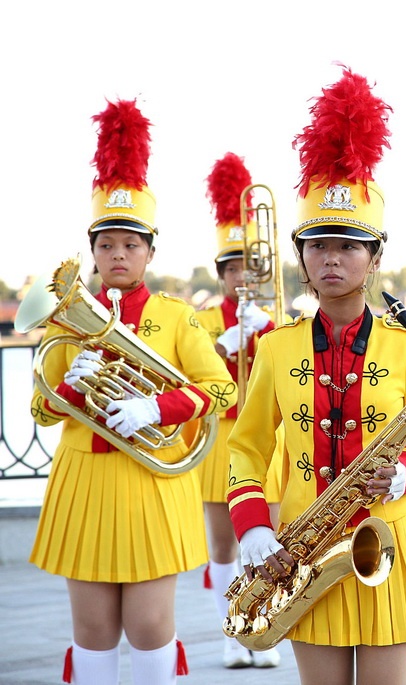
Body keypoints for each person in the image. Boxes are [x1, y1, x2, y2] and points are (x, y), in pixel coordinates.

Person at [226, 68, 406, 685]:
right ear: (301, 255)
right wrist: (250, 527)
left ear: (375, 257)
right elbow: (245, 450)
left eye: (349, 245)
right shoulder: (276, 350)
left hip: (388, 544)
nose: (332, 257)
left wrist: (405, 473)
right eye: (318, 244)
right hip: (302, 554)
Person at [27, 99, 235, 684]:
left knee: (149, 626)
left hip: (153, 481)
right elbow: (40, 410)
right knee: (92, 631)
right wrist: (68, 384)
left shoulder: (174, 317)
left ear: (150, 252)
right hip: (84, 482)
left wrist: (156, 404)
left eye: (130, 244)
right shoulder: (69, 320)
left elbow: (216, 389)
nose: (118, 254)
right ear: (92, 253)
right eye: (107, 245)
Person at [194, 152, 283, 669]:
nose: (242, 278)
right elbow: (194, 379)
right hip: (219, 442)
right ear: (223, 273)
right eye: (233, 270)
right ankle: (231, 635)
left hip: (266, 443)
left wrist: (266, 329)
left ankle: (264, 630)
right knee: (224, 548)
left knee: (268, 539)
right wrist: (229, 341)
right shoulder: (203, 320)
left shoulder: (274, 316)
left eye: (250, 268)